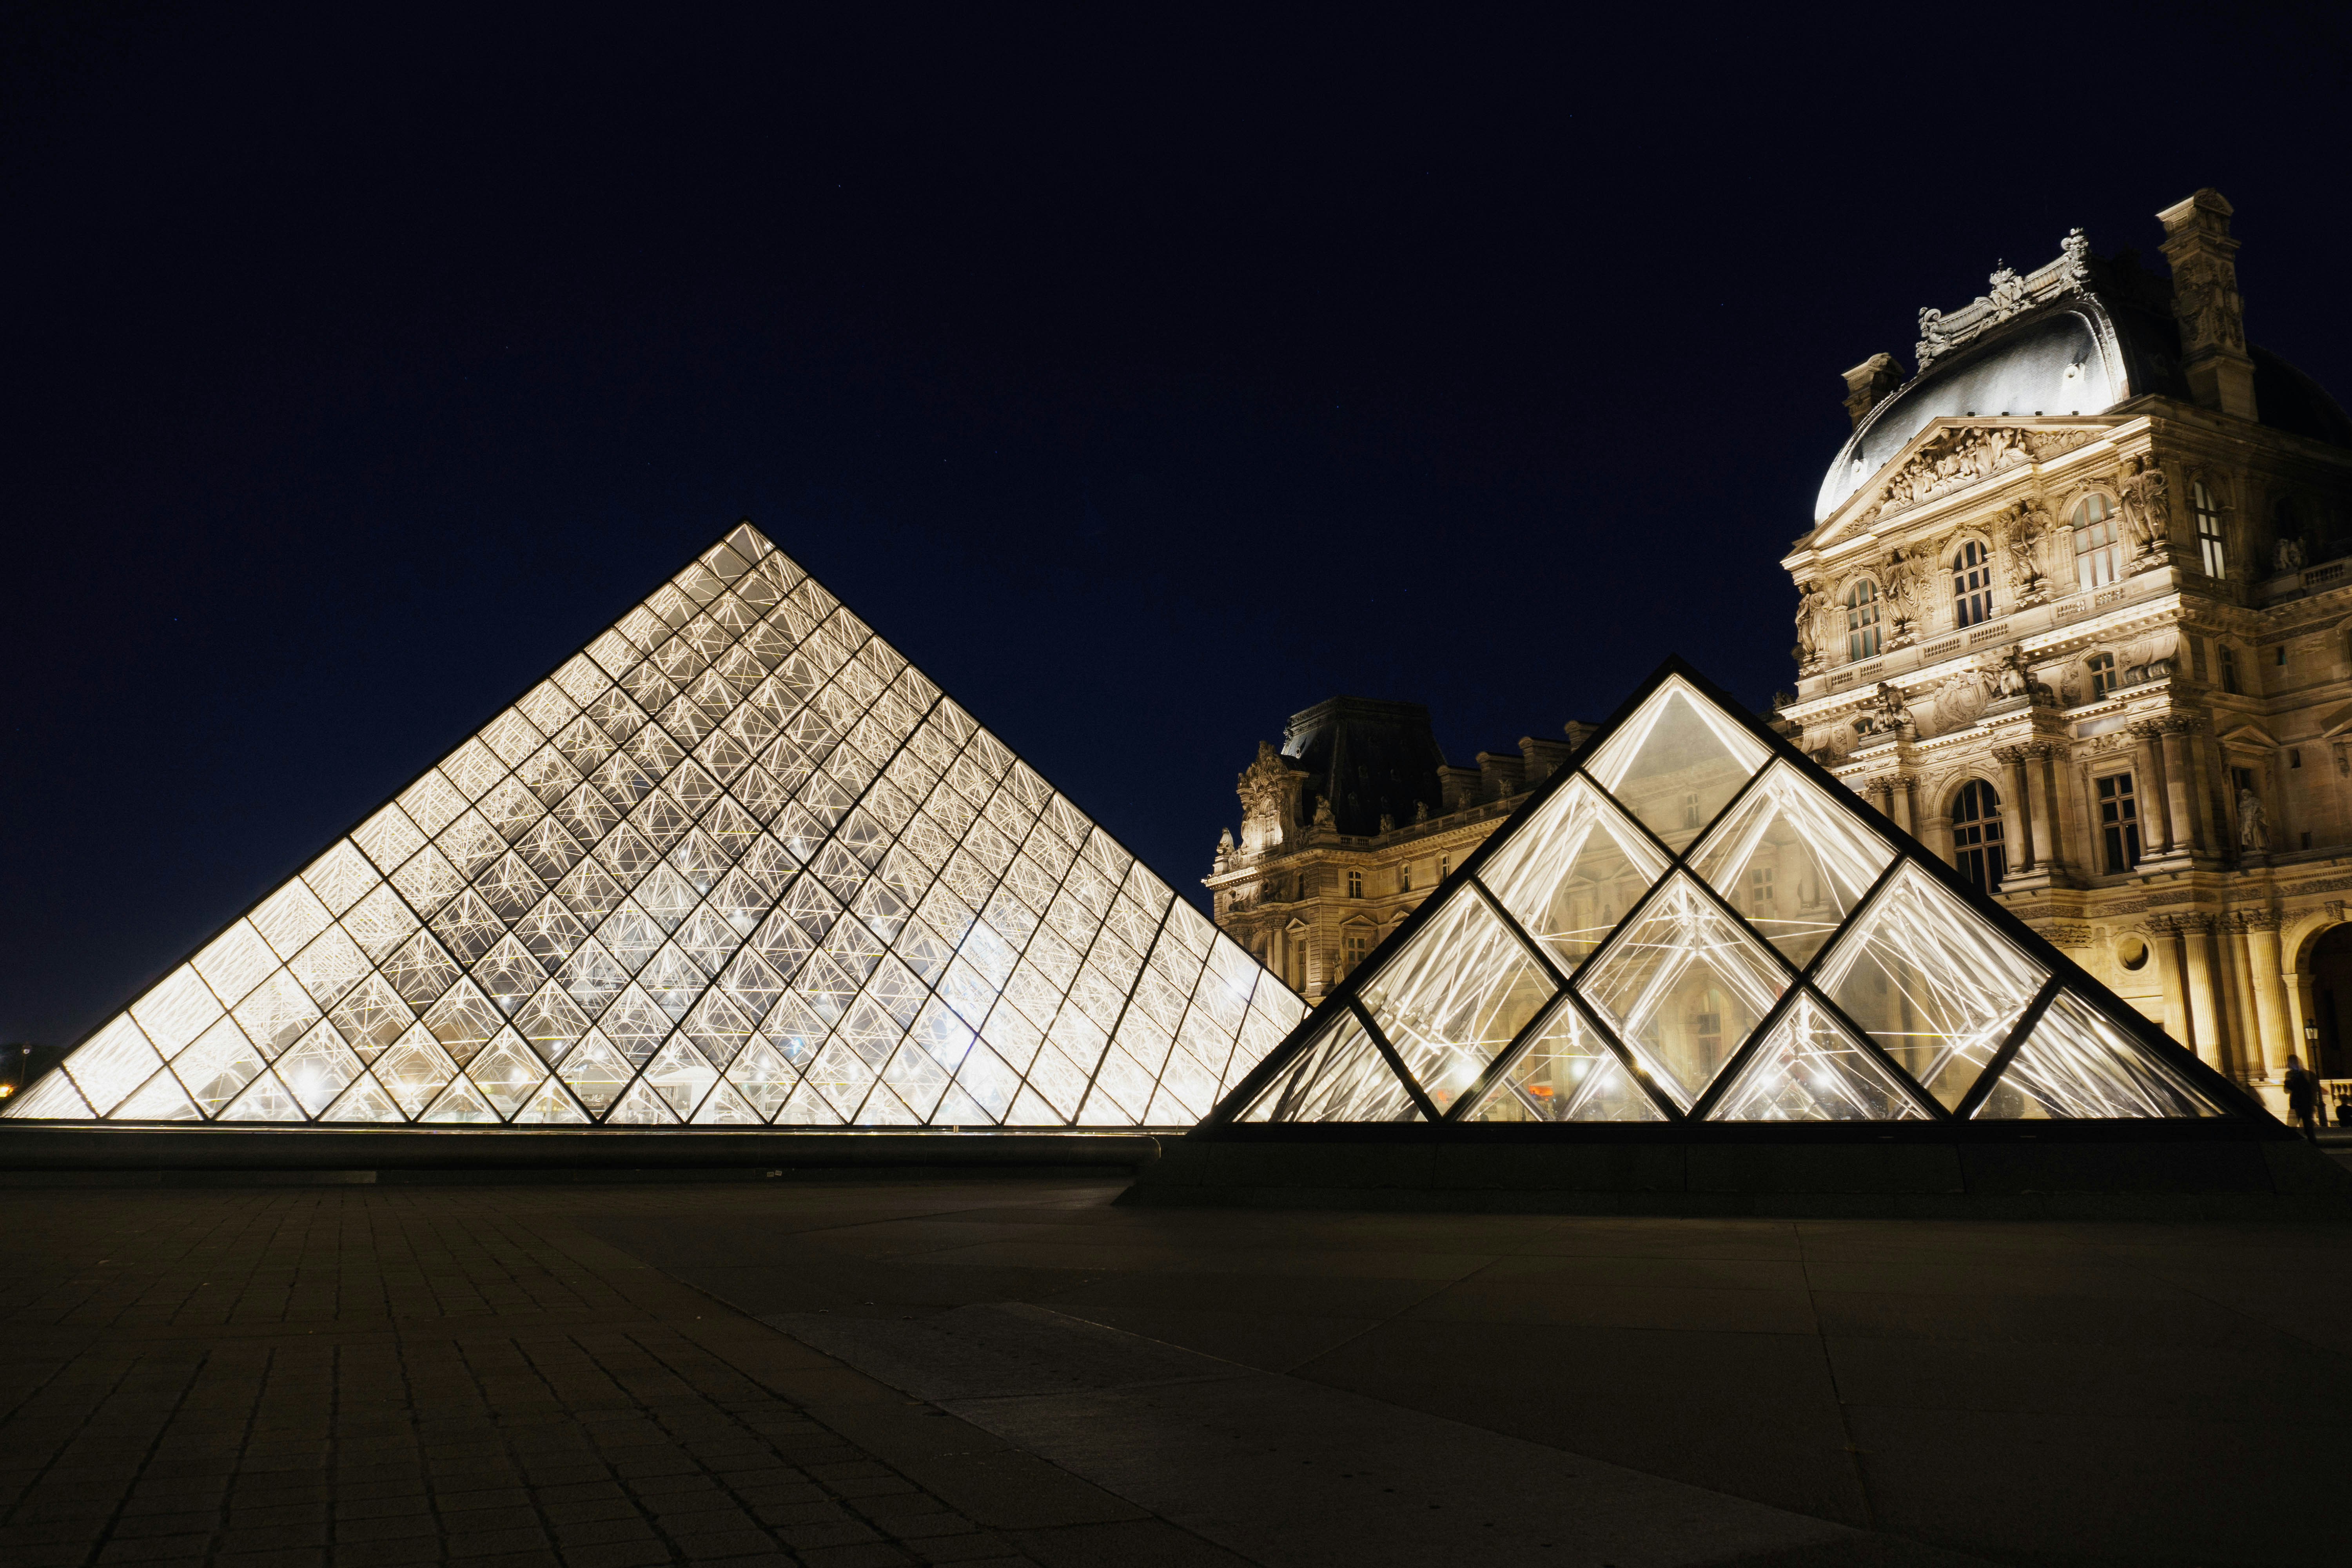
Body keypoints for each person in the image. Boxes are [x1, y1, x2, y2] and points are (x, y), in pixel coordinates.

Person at [2282, 1053, 2322, 1142]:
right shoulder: (2308, 1074)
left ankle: (2306, 1144)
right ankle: (2312, 1144)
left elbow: (2289, 1089)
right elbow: (2314, 1089)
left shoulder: (2292, 1075)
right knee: (2307, 1126)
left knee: (2299, 1126)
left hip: (2299, 1103)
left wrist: (2288, 1083)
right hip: (2307, 1103)